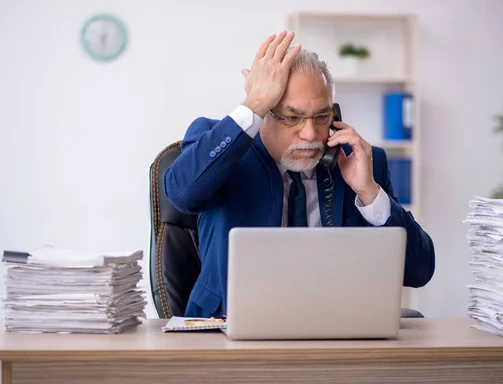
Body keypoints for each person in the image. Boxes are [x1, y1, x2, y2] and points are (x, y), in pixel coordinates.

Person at [164, 31, 435, 318]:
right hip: (230, 330)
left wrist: (369, 193)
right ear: (264, 111)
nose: (309, 134)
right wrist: (252, 105)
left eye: (321, 117)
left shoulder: (363, 162)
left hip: (337, 327)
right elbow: (181, 193)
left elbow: (419, 271)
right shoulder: (222, 145)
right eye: (291, 117)